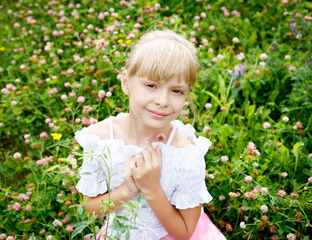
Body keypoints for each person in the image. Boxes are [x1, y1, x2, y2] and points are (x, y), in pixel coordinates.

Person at [75, 29, 226, 240]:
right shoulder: (100, 139)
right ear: (126, 83)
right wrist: (127, 191)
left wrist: (152, 189)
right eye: (151, 86)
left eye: (176, 91)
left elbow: (184, 233)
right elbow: (88, 209)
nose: (163, 101)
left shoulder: (185, 155)